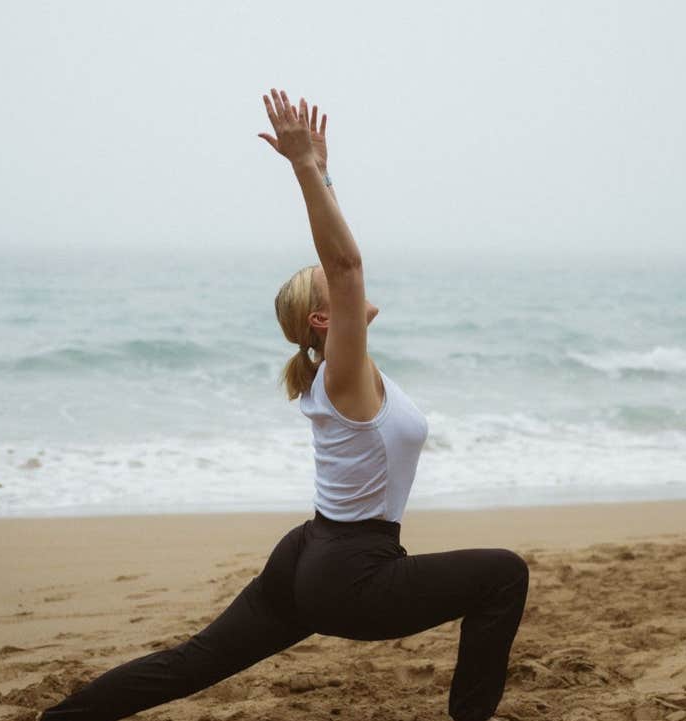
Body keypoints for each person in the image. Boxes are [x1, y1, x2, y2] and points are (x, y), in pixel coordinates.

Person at [37, 88, 529, 721]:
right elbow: (345, 262)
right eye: (337, 289)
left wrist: (323, 170)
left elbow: (342, 261)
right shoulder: (343, 374)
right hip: (352, 574)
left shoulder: (344, 370)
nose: (354, 284)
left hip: (307, 553)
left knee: (196, 660)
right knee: (504, 574)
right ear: (325, 319)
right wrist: (302, 168)